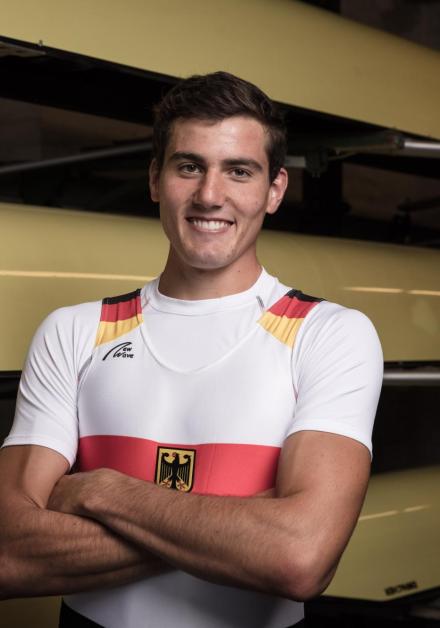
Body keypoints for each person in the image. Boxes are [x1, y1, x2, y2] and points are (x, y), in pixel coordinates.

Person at [0, 71, 383, 628]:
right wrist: (243, 529)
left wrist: (102, 491)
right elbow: (8, 554)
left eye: (239, 171)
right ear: (155, 178)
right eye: (189, 166)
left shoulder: (329, 334)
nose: (209, 195)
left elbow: (299, 557)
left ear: (275, 190)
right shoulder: (75, 331)